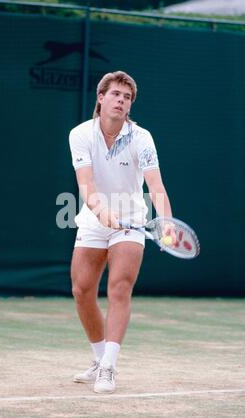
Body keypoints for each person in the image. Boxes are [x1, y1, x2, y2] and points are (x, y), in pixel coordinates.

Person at [69, 71, 174, 394]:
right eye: (115, 94)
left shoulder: (142, 138)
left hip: (131, 221)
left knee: (119, 288)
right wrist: (102, 212)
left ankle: (110, 368)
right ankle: (99, 358)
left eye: (127, 97)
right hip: (93, 219)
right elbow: (86, 185)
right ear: (101, 98)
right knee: (82, 290)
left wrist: (166, 221)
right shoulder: (80, 134)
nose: (121, 101)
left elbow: (155, 186)